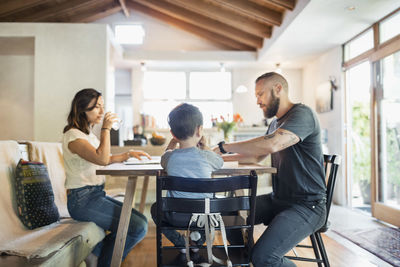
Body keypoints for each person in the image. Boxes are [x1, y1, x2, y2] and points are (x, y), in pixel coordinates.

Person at [213, 72, 327, 267]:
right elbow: (256, 155)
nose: (257, 101)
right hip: (279, 200)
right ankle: (246, 258)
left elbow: (272, 144)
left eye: (260, 94)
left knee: (265, 257)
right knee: (227, 210)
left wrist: (226, 145)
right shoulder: (275, 123)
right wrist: (217, 157)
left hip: (308, 206)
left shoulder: (302, 114)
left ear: (278, 89)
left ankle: (259, 259)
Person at [62, 88, 150, 267]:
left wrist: (127, 154)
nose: (102, 111)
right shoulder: (73, 136)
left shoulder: (87, 135)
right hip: (82, 201)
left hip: (95, 195)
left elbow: (103, 158)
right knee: (137, 227)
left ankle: (95, 253)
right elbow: (102, 158)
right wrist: (106, 129)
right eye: (96, 107)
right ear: (81, 109)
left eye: (102, 106)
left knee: (141, 221)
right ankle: (104, 262)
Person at [150, 103, 224, 252]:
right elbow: (220, 162)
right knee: (215, 207)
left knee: (155, 209)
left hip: (176, 216)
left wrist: (171, 145)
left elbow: (163, 159)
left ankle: (180, 243)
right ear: (199, 130)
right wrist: (206, 146)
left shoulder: (169, 158)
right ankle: (196, 242)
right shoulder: (206, 156)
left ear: (173, 134)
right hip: (203, 217)